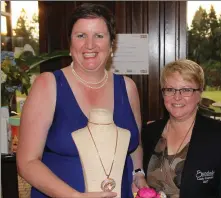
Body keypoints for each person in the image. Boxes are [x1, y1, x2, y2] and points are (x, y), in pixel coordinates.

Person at [16, 3, 146, 198]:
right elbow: (27, 162)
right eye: (81, 35)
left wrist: (138, 174)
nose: (90, 45)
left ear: (112, 44)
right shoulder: (48, 85)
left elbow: (134, 144)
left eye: (99, 36)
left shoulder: (128, 88)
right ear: (70, 43)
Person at [141, 59, 221, 198]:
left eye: (186, 90)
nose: (177, 97)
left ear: (200, 93)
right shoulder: (149, 132)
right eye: (170, 89)